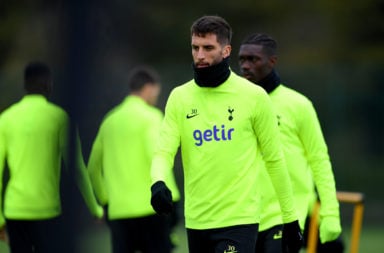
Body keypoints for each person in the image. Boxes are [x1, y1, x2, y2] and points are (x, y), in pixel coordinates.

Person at [149, 15, 303, 253]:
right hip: (197, 221)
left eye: (208, 48)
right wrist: (158, 182)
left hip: (240, 220)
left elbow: (274, 160)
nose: (200, 55)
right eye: (195, 47)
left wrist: (290, 219)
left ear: (226, 50)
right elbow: (163, 151)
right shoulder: (179, 97)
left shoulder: (254, 96)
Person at [238, 33, 342, 253]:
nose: (245, 66)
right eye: (242, 59)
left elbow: (319, 160)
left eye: (253, 59)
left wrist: (330, 212)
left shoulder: (299, 105)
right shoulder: (235, 105)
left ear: (272, 61)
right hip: (244, 214)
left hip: (285, 214)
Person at [0, 61, 103, 253]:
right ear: (49, 85)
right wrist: (94, 208)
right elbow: (77, 169)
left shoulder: (6, 119)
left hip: (15, 210)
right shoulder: (59, 118)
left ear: (24, 85)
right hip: (48, 211)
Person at [87, 66, 180, 253]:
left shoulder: (109, 121)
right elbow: (157, 157)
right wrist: (173, 201)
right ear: (149, 88)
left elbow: (92, 169)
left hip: (118, 212)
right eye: (156, 92)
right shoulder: (151, 117)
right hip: (151, 209)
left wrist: (105, 200)